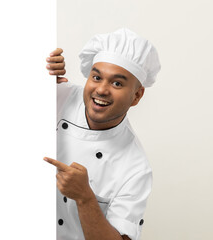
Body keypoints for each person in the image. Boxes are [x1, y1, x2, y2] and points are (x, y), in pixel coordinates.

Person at [43, 28, 161, 240]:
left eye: (117, 83)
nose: (101, 90)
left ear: (137, 95)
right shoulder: (58, 95)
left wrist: (85, 198)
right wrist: (41, 68)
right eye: (96, 77)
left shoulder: (135, 168)